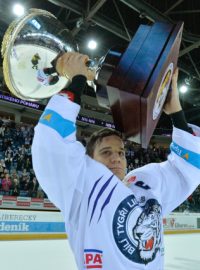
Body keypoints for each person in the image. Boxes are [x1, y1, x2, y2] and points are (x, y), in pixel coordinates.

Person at [32, 52, 200, 270]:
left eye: (120, 152)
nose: (116, 158)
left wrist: (176, 111)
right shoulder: (81, 188)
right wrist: (78, 80)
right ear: (88, 160)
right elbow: (50, 143)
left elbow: (190, 167)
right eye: (105, 152)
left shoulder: (146, 185)